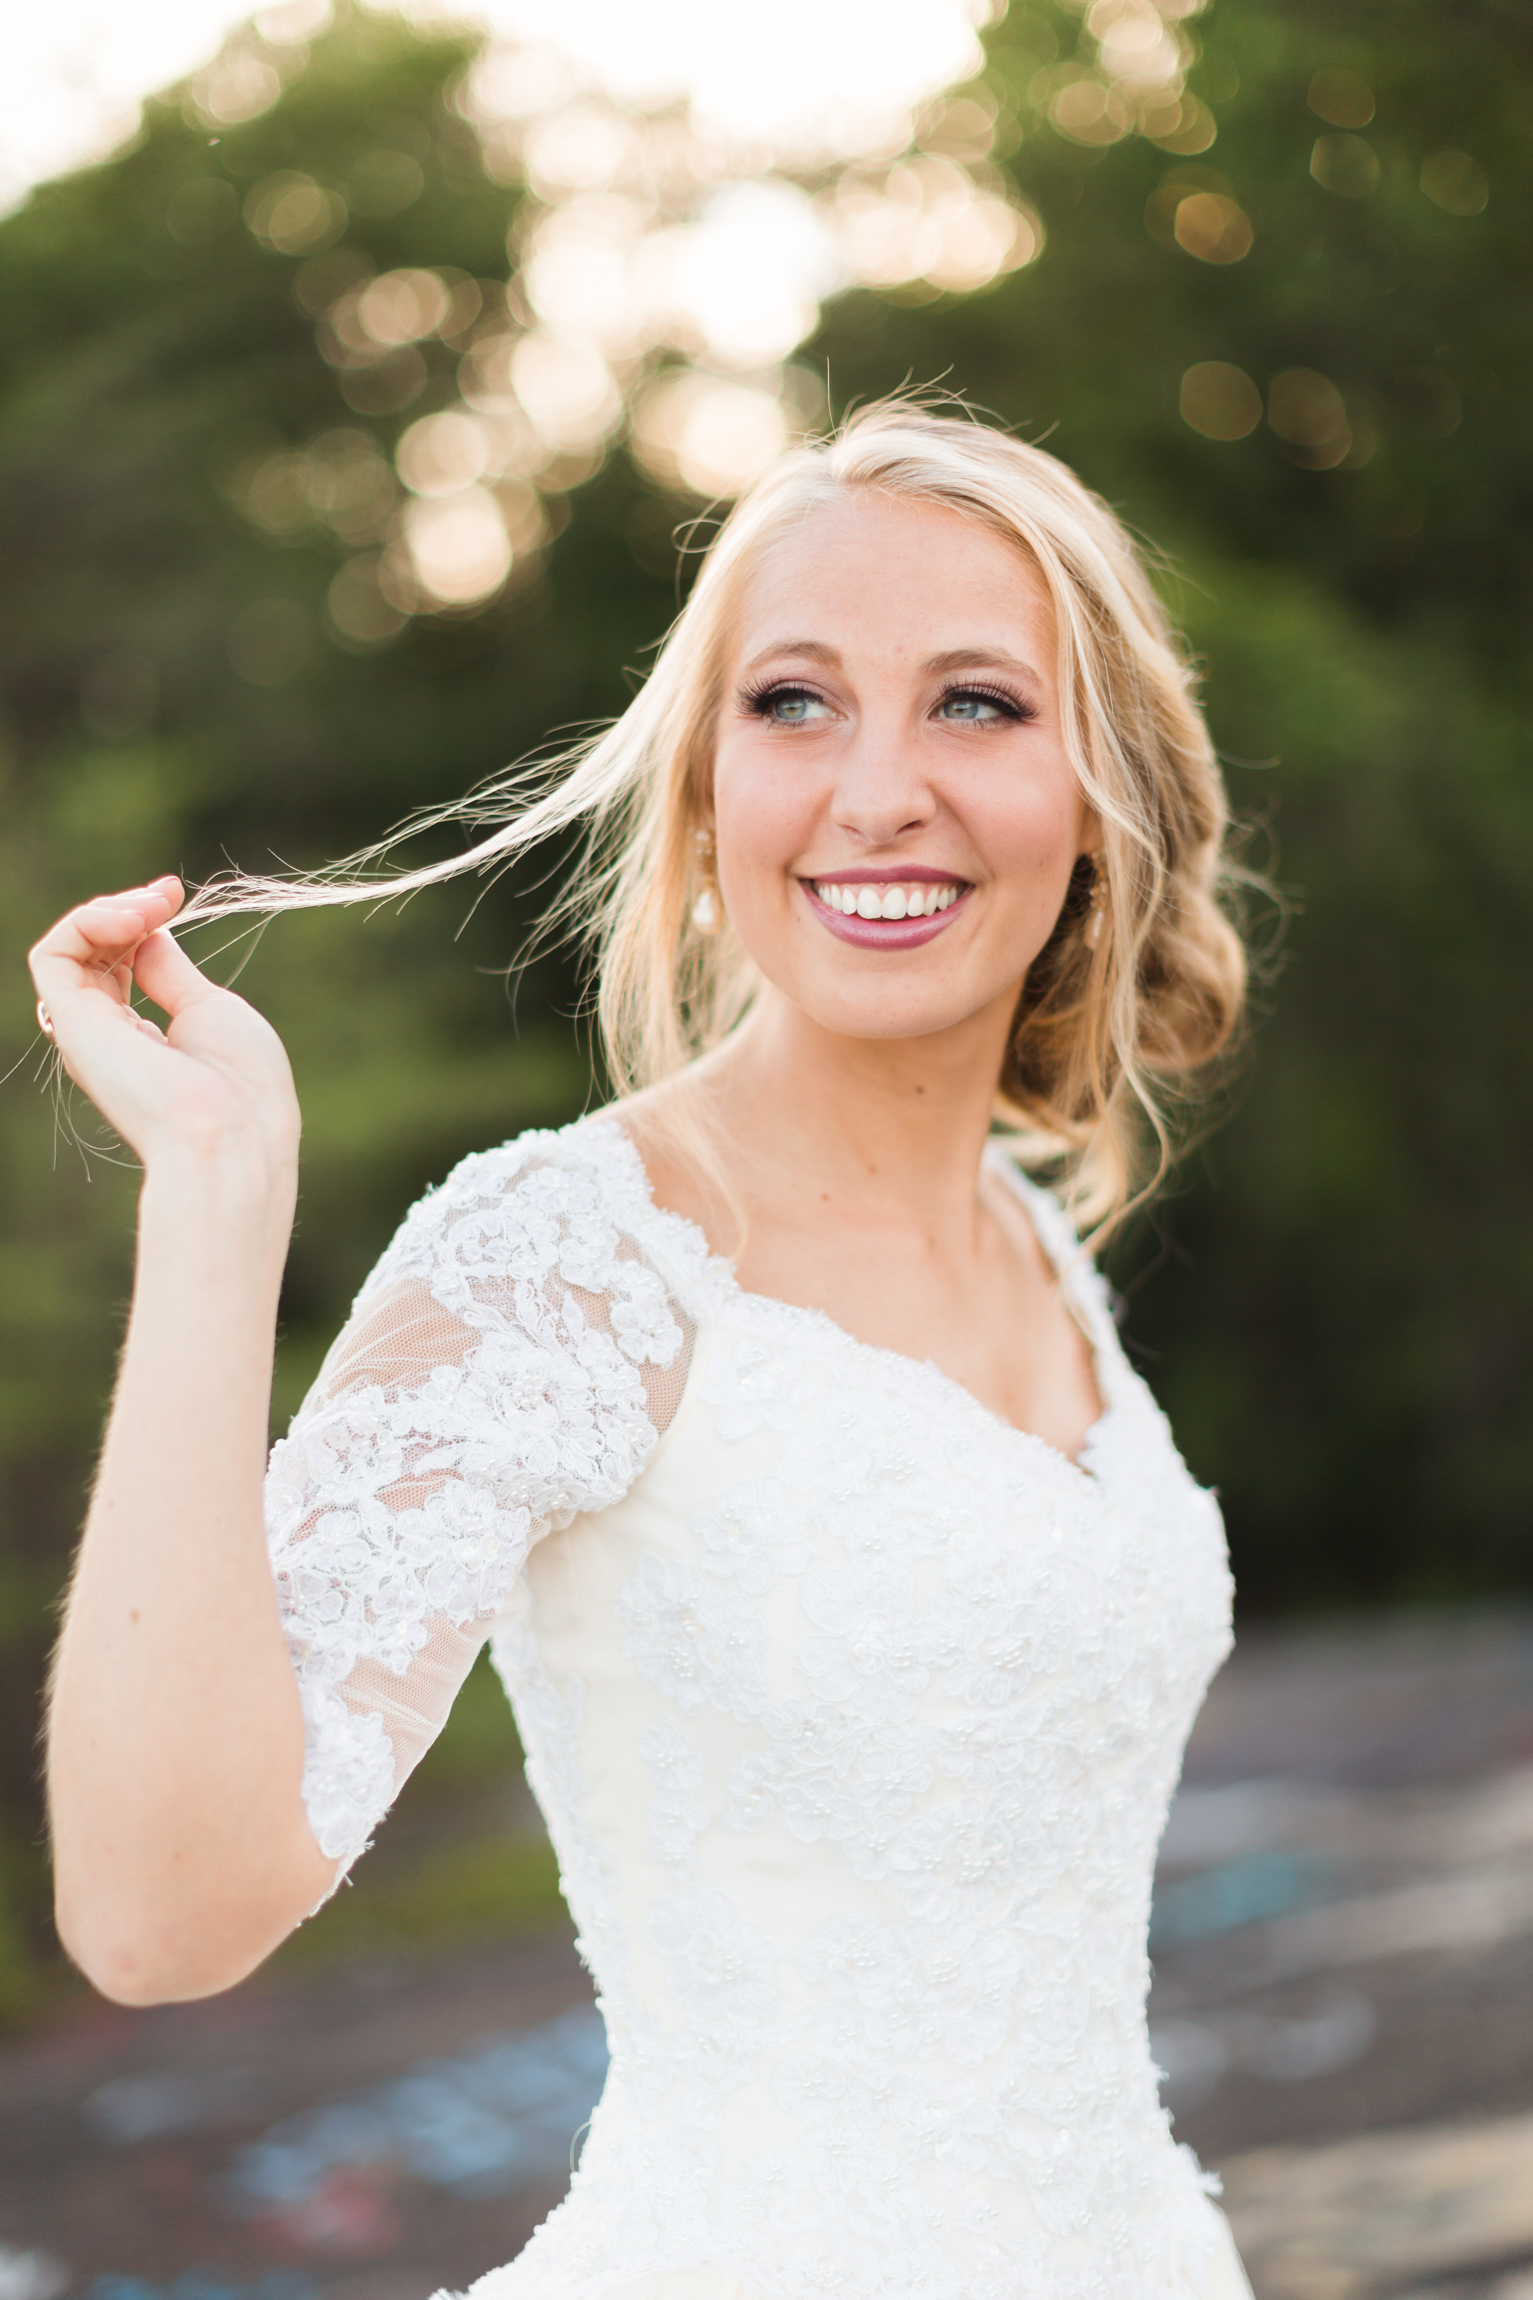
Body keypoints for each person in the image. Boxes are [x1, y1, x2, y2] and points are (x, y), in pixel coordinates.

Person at [29, 402, 1255, 2299]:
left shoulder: (1034, 1239)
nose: (874, 790)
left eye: (976, 704)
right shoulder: (571, 1265)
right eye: (793, 702)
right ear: (698, 792)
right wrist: (211, 1195)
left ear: (1102, 791)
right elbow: (154, 1916)